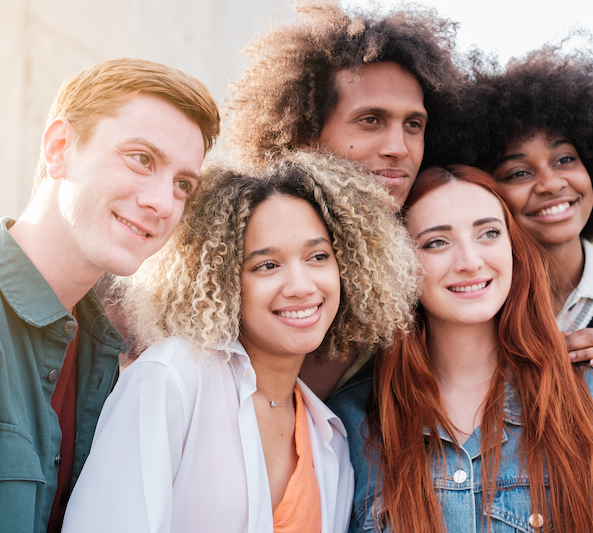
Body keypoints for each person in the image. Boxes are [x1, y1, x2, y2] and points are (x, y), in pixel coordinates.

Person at [0, 2, 459, 398]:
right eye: (370, 120)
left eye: (414, 125)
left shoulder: (436, 263)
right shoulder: (201, 253)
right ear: (302, 132)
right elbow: (65, 282)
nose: (398, 147)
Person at [0, 57, 220, 532]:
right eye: (142, 158)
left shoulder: (113, 361)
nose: (162, 202)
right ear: (60, 148)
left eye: (183, 184)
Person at [61, 151, 419, 532]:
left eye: (318, 256)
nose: (301, 286)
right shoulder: (172, 380)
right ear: (222, 280)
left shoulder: (328, 438)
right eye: (267, 265)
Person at [328, 165, 593, 533]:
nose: (470, 262)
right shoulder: (351, 420)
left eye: (489, 233)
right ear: (397, 263)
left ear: (514, 249)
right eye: (436, 242)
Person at [443, 43, 593, 452]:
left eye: (564, 159)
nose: (551, 183)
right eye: (519, 171)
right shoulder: (466, 300)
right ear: (482, 189)